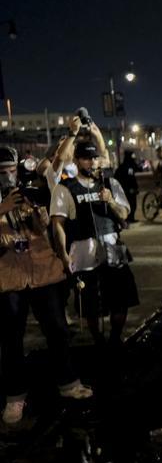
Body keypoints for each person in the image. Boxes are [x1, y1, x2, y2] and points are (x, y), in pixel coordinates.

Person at [0, 147, 92, 425]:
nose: (8, 176)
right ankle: (15, 397)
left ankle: (69, 383)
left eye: (11, 170)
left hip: (42, 271)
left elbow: (48, 225)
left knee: (57, 329)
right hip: (8, 276)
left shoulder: (28, 191)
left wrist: (40, 214)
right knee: (11, 338)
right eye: (2, 172)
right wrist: (2, 209)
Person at [50, 141, 139, 346]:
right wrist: (63, 255)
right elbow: (58, 225)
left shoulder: (110, 184)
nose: (91, 162)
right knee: (90, 304)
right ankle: (98, 341)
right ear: (76, 160)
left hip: (112, 248)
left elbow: (124, 214)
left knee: (120, 299)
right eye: (86, 158)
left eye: (94, 158)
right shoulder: (64, 188)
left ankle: (115, 338)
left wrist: (110, 201)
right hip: (83, 252)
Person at [114, 150, 140, 223]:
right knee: (130, 203)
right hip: (128, 189)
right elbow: (127, 178)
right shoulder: (126, 167)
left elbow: (137, 169)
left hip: (129, 188)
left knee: (132, 203)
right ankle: (128, 218)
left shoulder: (127, 165)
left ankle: (130, 218)